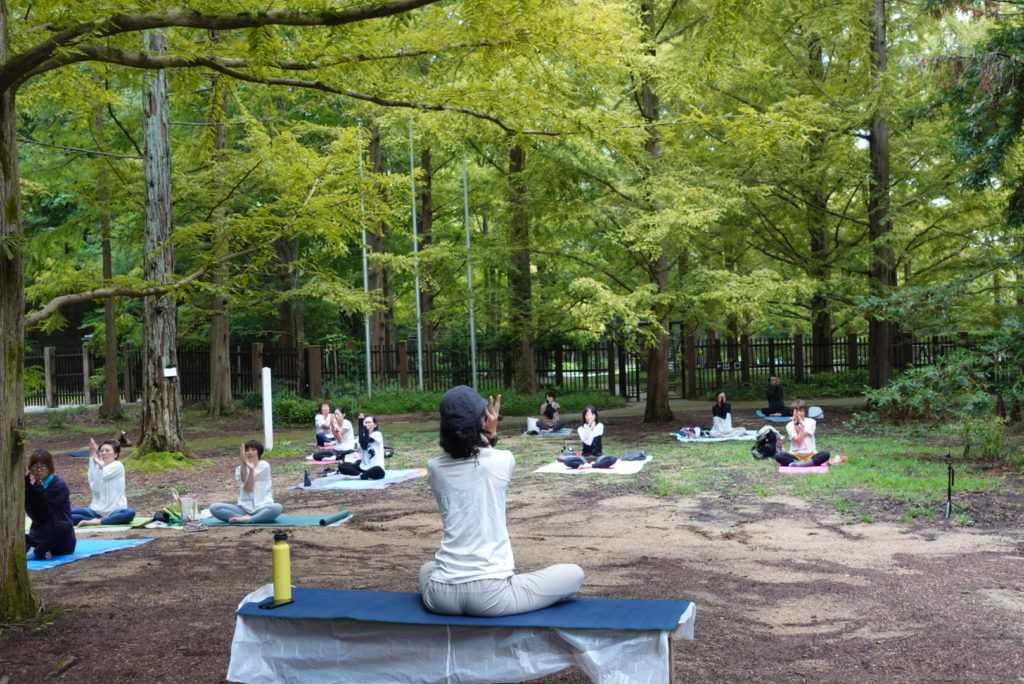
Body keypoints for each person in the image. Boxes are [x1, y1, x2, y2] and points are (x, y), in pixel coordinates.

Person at [420, 385, 584, 617]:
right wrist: (491, 434)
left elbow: (462, 456)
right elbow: (484, 456)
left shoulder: (434, 467)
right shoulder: (502, 459)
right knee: (574, 574)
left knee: (427, 568)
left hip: (441, 595)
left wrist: (481, 431)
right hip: (491, 596)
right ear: (482, 421)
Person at [209, 440, 283, 523]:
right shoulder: (239, 469)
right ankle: (245, 518)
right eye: (247, 450)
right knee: (214, 507)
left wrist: (251, 469)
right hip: (244, 508)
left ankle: (249, 519)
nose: (250, 452)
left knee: (277, 508)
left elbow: (249, 487)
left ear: (259, 452)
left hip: (263, 506)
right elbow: (246, 484)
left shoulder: (264, 465)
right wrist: (243, 462)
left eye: (253, 450)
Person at [71, 438, 136, 526]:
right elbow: (95, 487)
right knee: (67, 513)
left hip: (115, 511)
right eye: (101, 451)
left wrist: (95, 457)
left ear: (116, 454)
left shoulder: (117, 465)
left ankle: (99, 521)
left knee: (130, 513)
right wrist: (92, 455)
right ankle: (96, 520)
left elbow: (102, 475)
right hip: (96, 511)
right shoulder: (98, 467)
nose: (104, 453)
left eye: (107, 450)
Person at [25, 449, 76, 560]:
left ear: (49, 467)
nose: (39, 471)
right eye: (35, 467)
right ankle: (40, 549)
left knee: (63, 526)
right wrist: (30, 487)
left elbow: (43, 514)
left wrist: (36, 490)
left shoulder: (58, 485)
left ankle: (37, 553)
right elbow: (33, 515)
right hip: (39, 536)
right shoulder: (31, 486)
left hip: (59, 540)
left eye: (43, 467)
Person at [775, 399, 831, 467]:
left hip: (811, 454)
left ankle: (798, 464)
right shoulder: (789, 425)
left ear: (804, 411)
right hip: (795, 455)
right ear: (793, 412)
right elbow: (799, 440)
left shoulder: (811, 422)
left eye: (801, 411)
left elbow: (802, 435)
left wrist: (802, 425)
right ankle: (806, 463)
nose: (799, 413)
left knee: (825, 454)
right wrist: (796, 424)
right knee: (778, 456)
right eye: (796, 411)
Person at [337, 413, 385, 479]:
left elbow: (366, 442)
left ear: (375, 425)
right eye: (365, 422)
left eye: (369, 422)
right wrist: (360, 422)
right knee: (342, 466)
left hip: (375, 468)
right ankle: (362, 475)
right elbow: (363, 445)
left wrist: (364, 428)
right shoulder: (362, 437)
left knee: (378, 470)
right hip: (363, 467)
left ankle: (359, 476)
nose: (367, 424)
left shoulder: (377, 434)